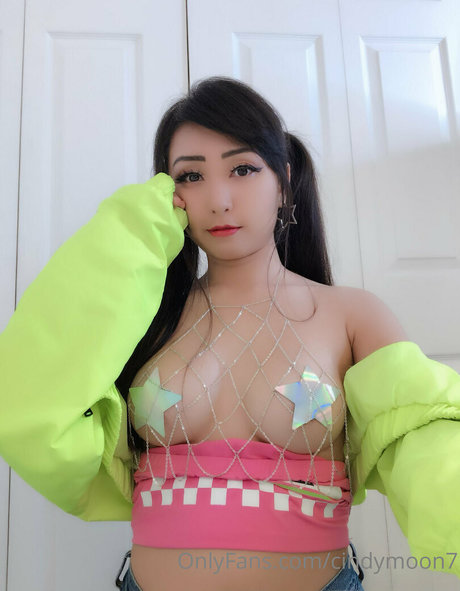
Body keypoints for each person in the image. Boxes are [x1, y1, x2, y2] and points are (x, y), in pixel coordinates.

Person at [0, 77, 459, 591]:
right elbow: (34, 393)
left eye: (242, 169)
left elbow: (426, 432)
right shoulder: (144, 320)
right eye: (191, 176)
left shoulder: (352, 315)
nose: (218, 199)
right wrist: (133, 231)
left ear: (284, 181)